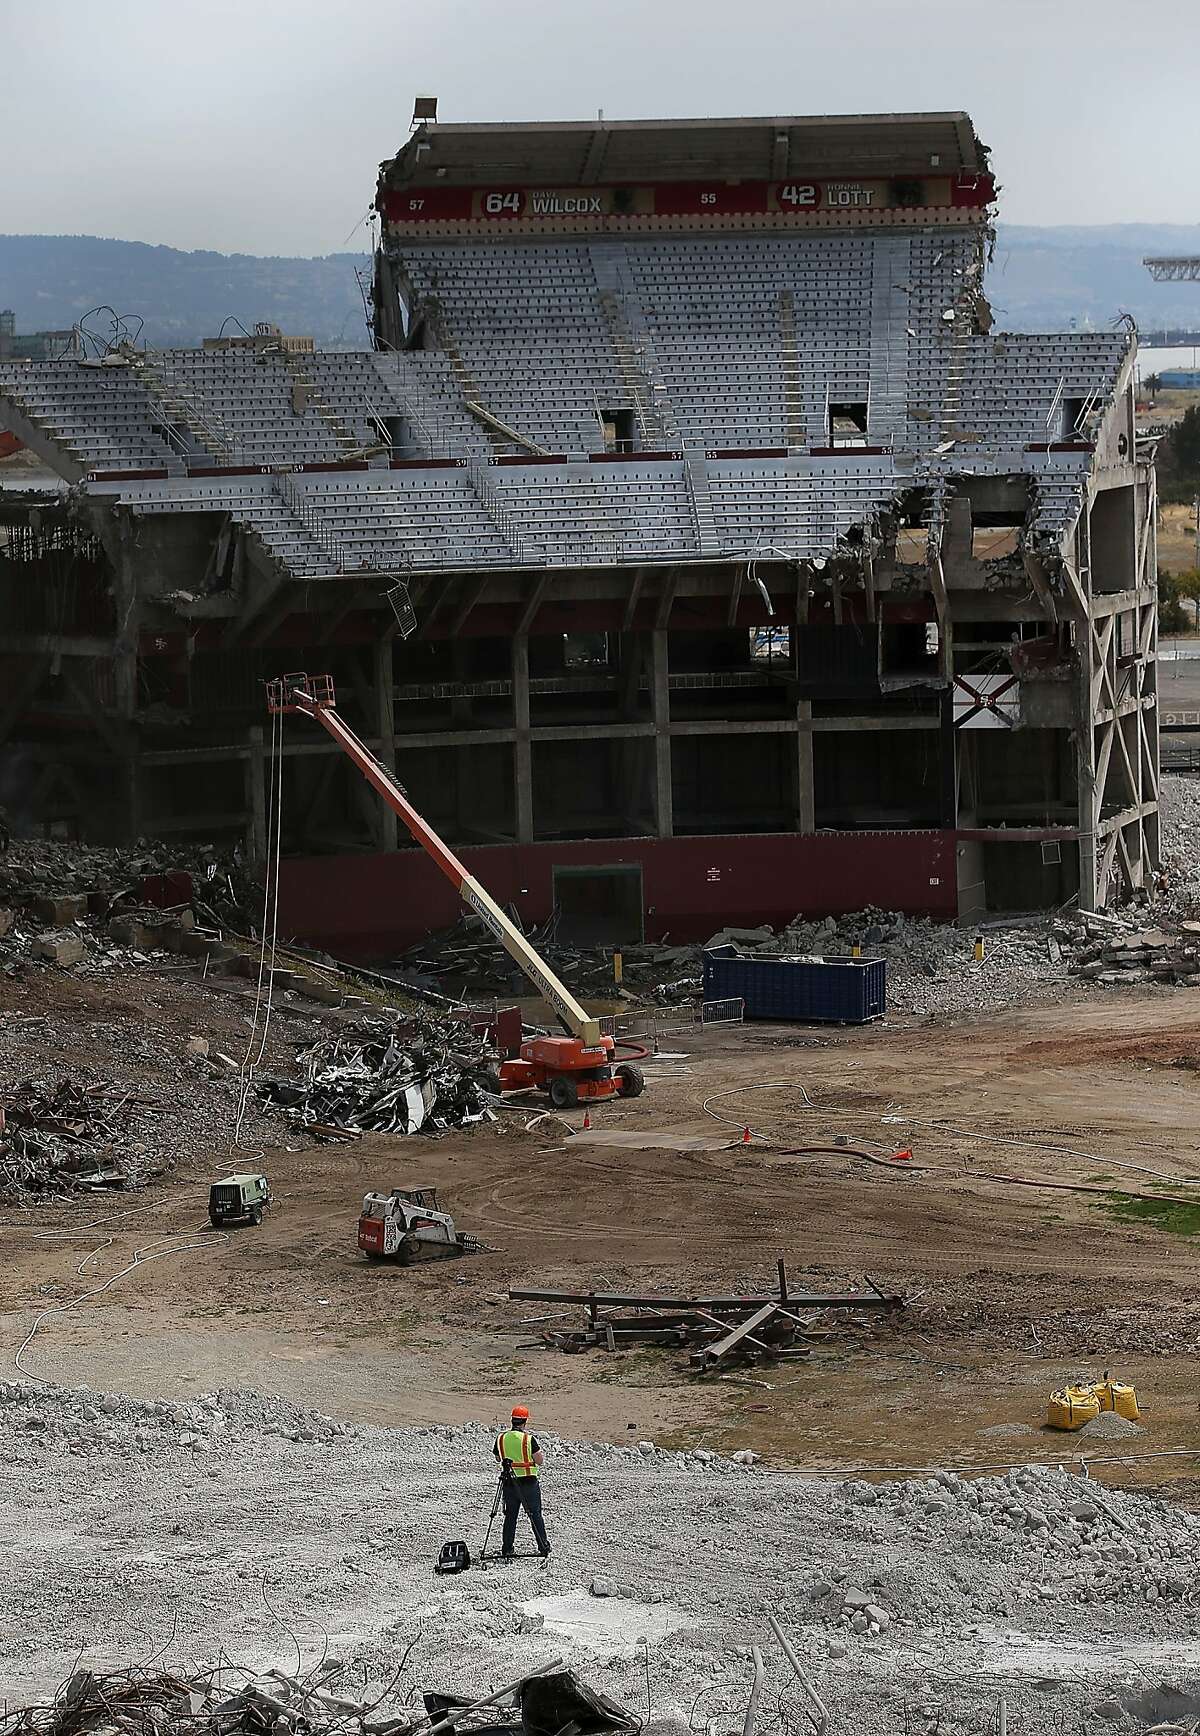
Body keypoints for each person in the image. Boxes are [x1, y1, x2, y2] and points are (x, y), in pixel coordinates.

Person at [493, 1404, 550, 1559]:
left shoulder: (501, 1438)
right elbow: (539, 1460)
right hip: (528, 1483)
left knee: (510, 1516)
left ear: (512, 1420)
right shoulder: (528, 1439)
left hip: (509, 1483)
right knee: (535, 1515)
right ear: (524, 1422)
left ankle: (507, 1549)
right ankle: (543, 1546)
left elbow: (498, 1457)